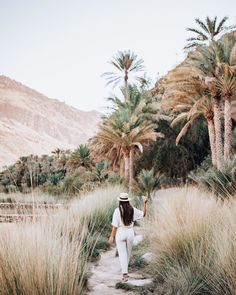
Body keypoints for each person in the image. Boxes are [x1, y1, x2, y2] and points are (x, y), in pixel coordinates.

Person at [108, 192, 148, 281]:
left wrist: (112, 236)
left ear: (120, 201)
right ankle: (125, 273)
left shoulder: (117, 211)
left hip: (120, 233)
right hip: (130, 233)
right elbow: (143, 214)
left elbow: (115, 226)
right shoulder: (132, 209)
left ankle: (124, 274)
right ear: (127, 201)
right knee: (128, 253)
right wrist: (145, 204)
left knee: (122, 254)